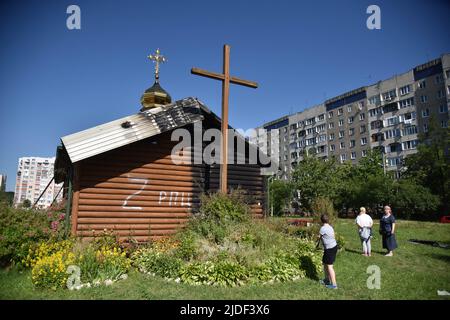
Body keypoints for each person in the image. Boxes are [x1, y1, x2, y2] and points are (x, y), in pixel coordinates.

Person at [318, 214, 338, 289]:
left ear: (321, 220)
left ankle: (334, 285)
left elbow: (318, 237)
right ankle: (326, 280)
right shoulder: (330, 227)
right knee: (325, 263)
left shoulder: (322, 228)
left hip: (330, 249)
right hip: (331, 247)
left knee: (330, 266)